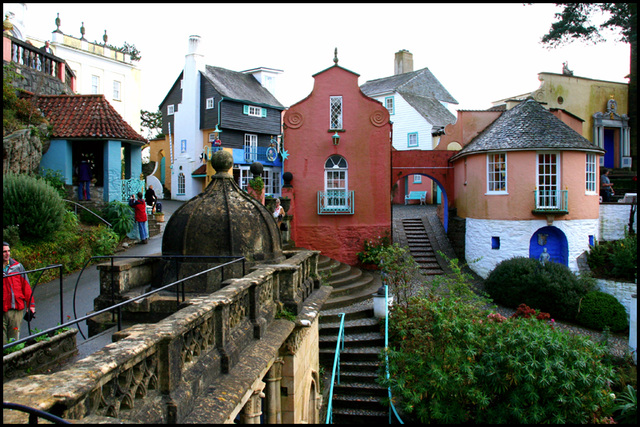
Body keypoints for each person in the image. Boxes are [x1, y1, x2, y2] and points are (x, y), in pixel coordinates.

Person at [3, 241, 35, 345]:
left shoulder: (17, 267)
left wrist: (31, 305)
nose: (7, 254)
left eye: (8, 251)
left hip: (16, 309)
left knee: (14, 342)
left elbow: (26, 287)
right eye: (4, 252)